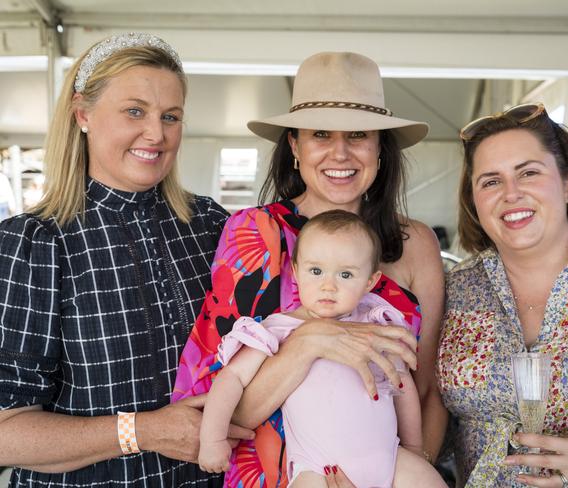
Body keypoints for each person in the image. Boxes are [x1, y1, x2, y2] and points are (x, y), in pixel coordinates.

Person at [173, 51, 447, 487]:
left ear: (380, 148)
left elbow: (428, 390)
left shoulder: (416, 244)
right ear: (295, 147)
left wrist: (399, 471)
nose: (341, 151)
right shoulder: (254, 233)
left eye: (359, 134)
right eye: (320, 133)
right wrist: (310, 342)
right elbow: (217, 404)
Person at [0, 32, 254, 487]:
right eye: (134, 111)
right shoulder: (34, 243)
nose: (156, 134)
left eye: (170, 116)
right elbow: (7, 432)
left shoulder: (212, 225)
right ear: (83, 114)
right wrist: (142, 430)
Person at [438, 102, 568, 487]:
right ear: (474, 201)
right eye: (490, 181)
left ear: (567, 182)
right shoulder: (455, 289)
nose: (511, 193)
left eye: (529, 173)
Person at [198, 210, 446, 487]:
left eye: (345, 274)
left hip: (391, 460)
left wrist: (413, 448)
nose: (328, 285)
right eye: (316, 271)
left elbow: (402, 385)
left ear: (370, 282)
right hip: (317, 469)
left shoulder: (376, 325)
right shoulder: (278, 329)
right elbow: (231, 377)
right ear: (296, 272)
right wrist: (213, 438)